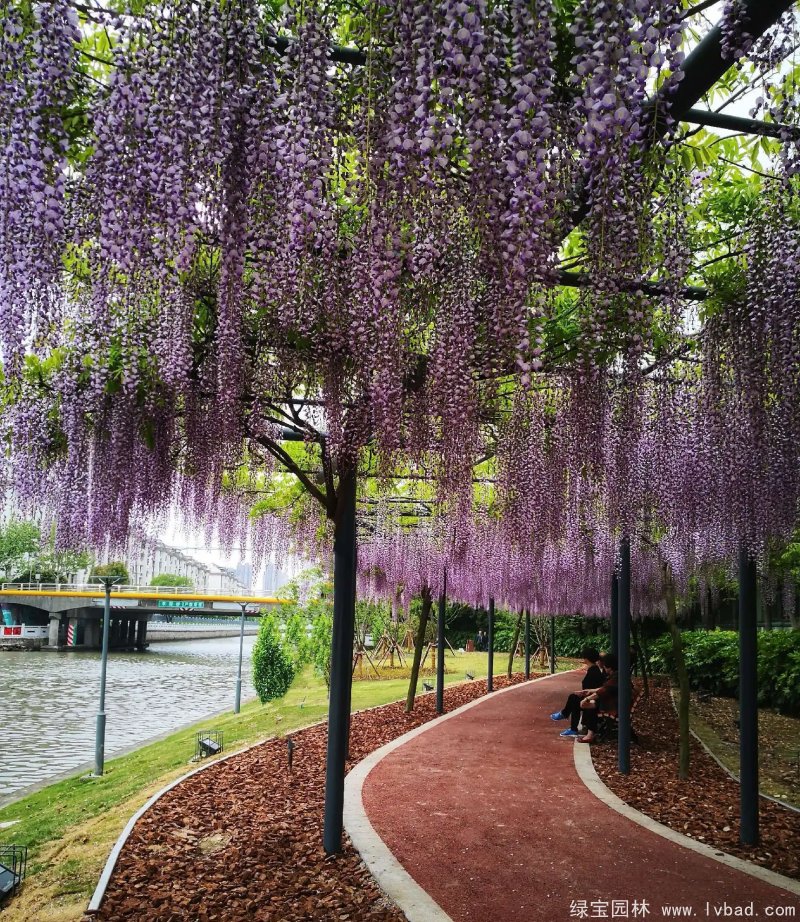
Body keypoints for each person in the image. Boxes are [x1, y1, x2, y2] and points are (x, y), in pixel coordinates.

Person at [549, 647, 604, 738]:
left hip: (595, 701)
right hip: (593, 697)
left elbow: (592, 689)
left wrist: (583, 694)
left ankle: (567, 719)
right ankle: (568, 720)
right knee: (574, 697)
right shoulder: (594, 669)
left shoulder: (593, 672)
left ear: (586, 659)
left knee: (574, 699)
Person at [577, 652, 619, 743]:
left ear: (609, 667)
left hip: (614, 707)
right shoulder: (616, 676)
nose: (604, 668)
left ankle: (590, 734)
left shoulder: (616, 677)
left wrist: (587, 698)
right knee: (591, 704)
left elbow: (603, 691)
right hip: (615, 702)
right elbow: (604, 688)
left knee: (591, 706)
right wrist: (590, 691)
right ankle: (589, 730)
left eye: (605, 666)